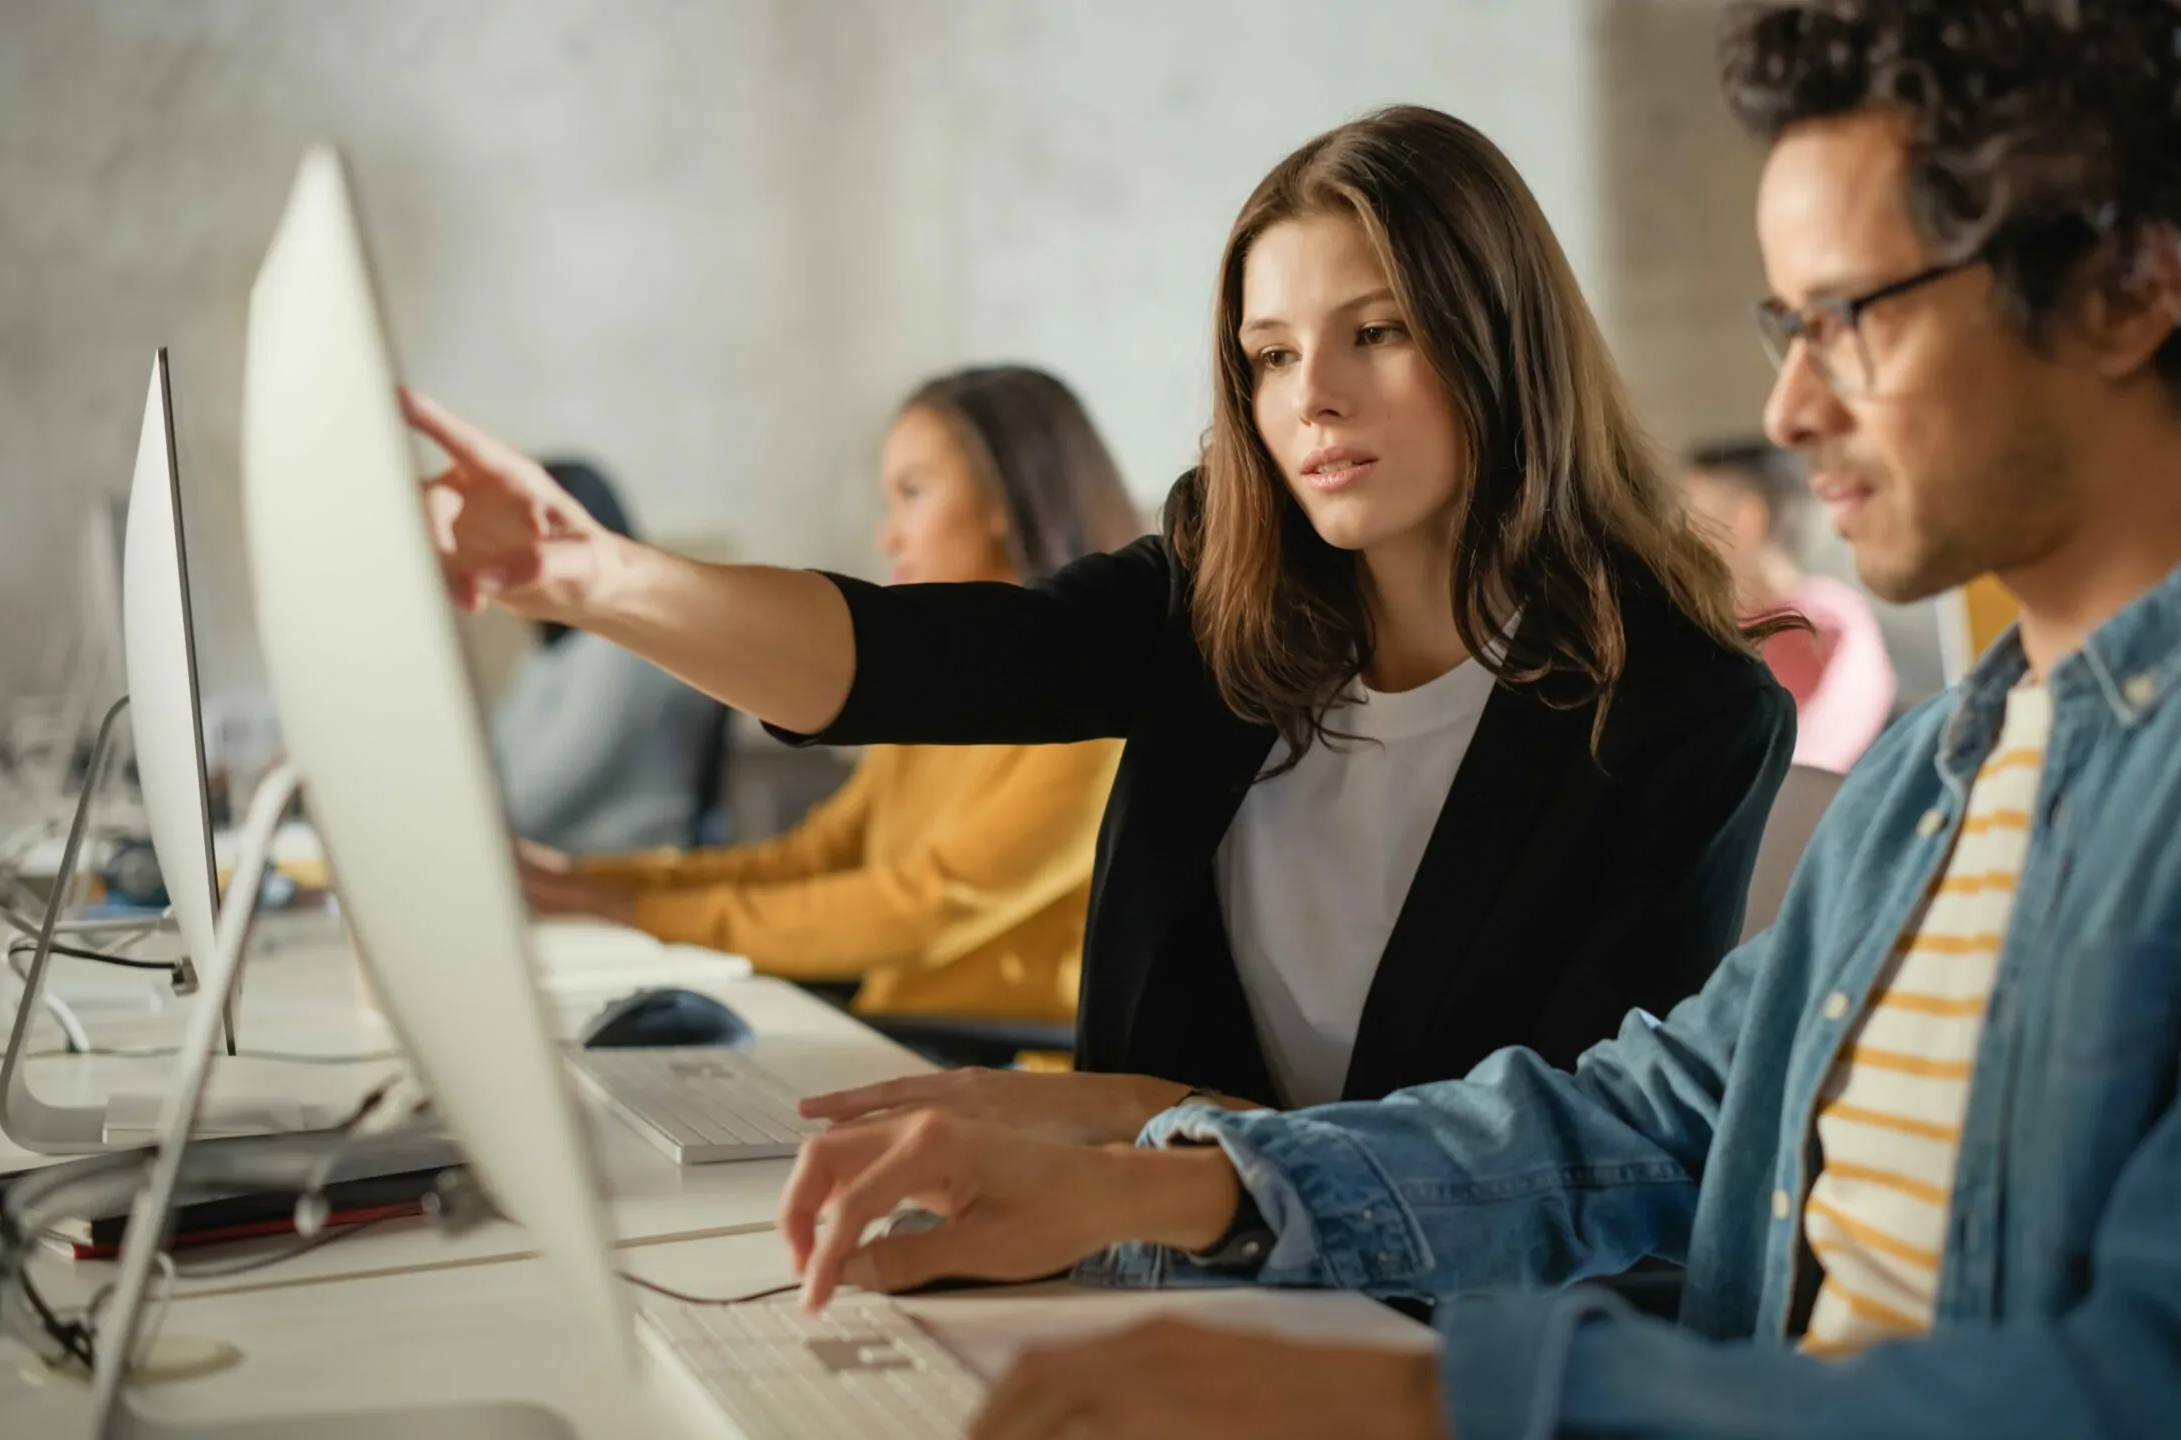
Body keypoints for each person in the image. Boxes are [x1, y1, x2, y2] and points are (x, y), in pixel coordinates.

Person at [771, 5, 2181, 1436]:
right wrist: (1163, 1181)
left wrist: (1416, 1403)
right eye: (1785, 329)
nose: (1792, 408)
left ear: (2127, 291)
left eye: (1851, 316)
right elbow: (1642, 1116)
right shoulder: (1961, 759)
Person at [410, 106, 1797, 1144]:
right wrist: (591, 578)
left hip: (1428, 1353)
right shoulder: (1217, 593)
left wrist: (1137, 1127)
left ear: (1500, 340)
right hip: (1159, 1262)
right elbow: (903, 660)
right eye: (1266, 355)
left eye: (1377, 332)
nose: (1310, 395)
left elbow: (1567, 1160)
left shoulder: (1683, 716)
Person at [516, 367, 1136, 1024]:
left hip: (1002, 1069)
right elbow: (811, 861)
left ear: (1008, 496)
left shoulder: (1102, 712)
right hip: (900, 1043)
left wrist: (621, 909)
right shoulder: (947, 692)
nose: (886, 536)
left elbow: (919, 909)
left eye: (913, 494)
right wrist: (583, 881)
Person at [486, 460, 726, 853]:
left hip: (623, 866)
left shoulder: (621, 650)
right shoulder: (548, 655)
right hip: (561, 864)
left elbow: (531, 805)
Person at [1683, 438, 1895, 770]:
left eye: (1692, 515)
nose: (1677, 537)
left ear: (1745, 519)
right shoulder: (1832, 615)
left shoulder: (1808, 629)